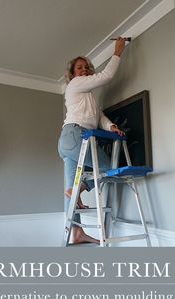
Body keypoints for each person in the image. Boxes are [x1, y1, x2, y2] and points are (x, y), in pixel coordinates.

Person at [58, 37, 126, 245]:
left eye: (87, 67)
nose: (85, 70)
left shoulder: (87, 98)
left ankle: (76, 232)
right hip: (76, 136)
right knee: (109, 169)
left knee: (70, 186)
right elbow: (106, 75)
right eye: (80, 68)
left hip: (68, 141)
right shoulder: (75, 85)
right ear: (72, 75)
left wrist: (111, 126)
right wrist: (117, 51)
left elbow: (99, 117)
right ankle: (82, 188)